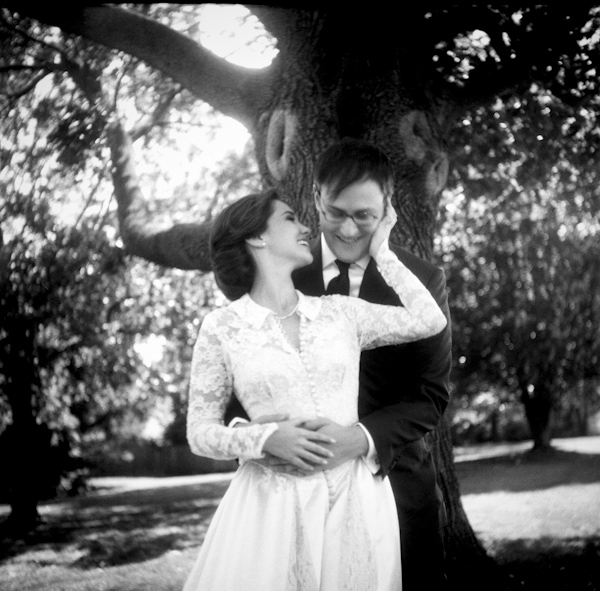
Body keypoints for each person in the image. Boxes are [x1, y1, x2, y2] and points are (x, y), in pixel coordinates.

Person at [184, 188, 447, 590]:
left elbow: (429, 320)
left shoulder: (339, 313)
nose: (306, 226)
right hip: (271, 506)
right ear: (257, 237)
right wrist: (264, 439)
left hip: (353, 498)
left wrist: (384, 252)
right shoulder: (222, 328)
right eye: (290, 218)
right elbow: (199, 432)